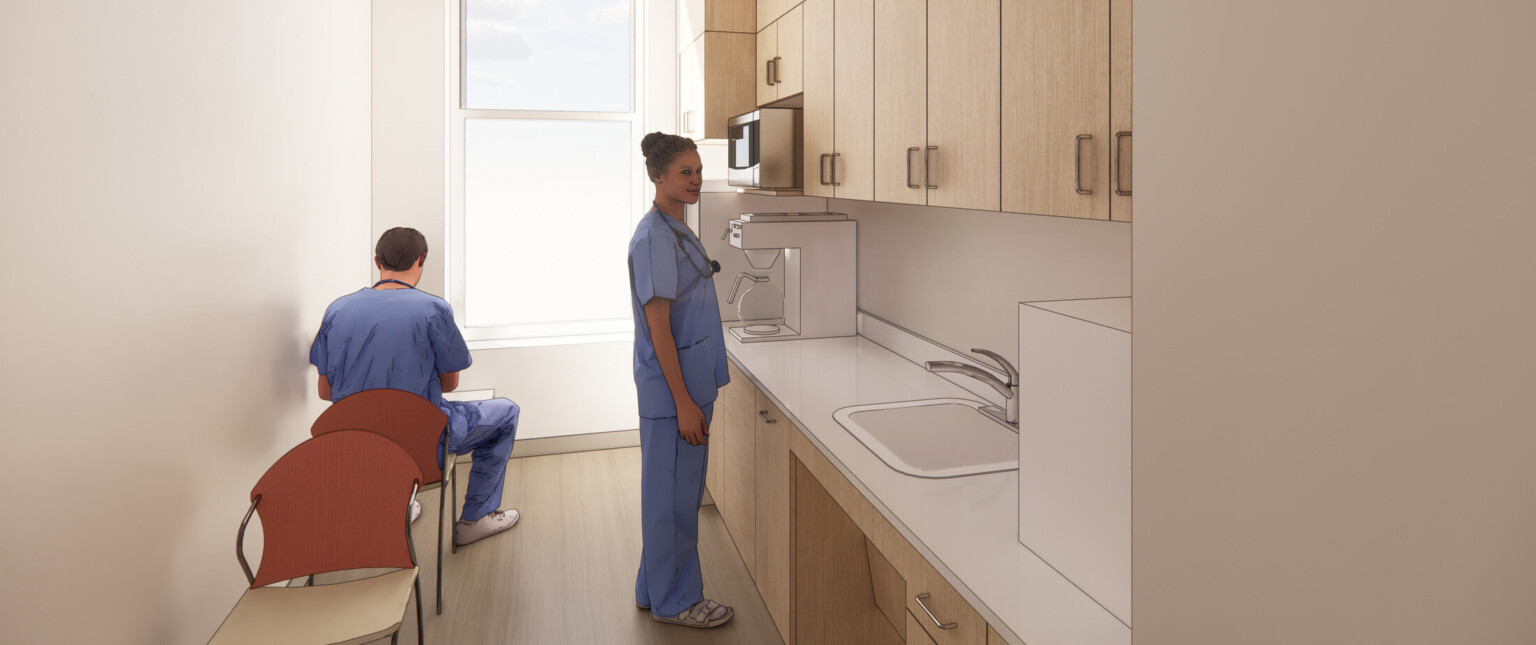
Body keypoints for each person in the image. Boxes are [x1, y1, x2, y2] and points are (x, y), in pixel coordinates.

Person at [309, 227, 521, 547]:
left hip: (357, 448)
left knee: (384, 425)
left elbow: (326, 393)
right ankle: (474, 520)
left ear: (377, 261)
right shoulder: (433, 309)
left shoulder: (337, 310)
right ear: (421, 260)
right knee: (505, 412)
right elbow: (450, 384)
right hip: (422, 449)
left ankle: (395, 506)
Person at [628, 132, 734, 629]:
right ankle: (677, 602)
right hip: (676, 395)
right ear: (658, 177)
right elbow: (658, 329)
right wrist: (685, 403)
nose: (695, 180)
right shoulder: (654, 238)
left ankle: (654, 588)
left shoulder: (675, 229)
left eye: (697, 171)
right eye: (684, 173)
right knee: (674, 503)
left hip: (684, 388)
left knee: (669, 497)